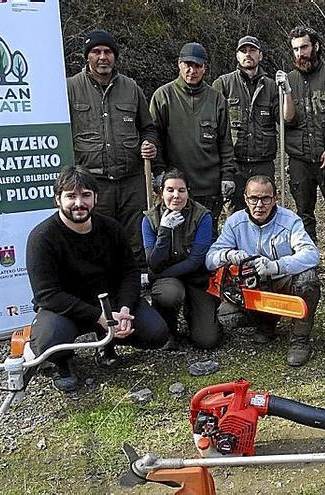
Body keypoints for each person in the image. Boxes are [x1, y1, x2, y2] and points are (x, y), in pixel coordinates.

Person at [26, 167, 168, 392]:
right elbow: (47, 295)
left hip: (109, 302)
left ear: (95, 198)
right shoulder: (42, 237)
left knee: (157, 333)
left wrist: (123, 310)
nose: (78, 203)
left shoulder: (111, 228)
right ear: (58, 200)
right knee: (49, 343)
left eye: (85, 195)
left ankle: (107, 342)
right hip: (66, 308)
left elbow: (130, 272)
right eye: (71, 196)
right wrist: (98, 316)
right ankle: (63, 362)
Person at [205, 175, 321, 366]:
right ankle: (265, 324)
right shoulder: (235, 222)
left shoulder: (290, 221)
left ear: (275, 198)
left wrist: (277, 266)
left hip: (282, 280)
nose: (259, 204)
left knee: (307, 279)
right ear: (245, 198)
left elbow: (311, 254)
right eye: (254, 198)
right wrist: (227, 255)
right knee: (227, 316)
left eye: (265, 198)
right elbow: (210, 259)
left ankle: (300, 340)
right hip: (251, 286)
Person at [67, 29, 159, 265]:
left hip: (132, 181)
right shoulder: (70, 89)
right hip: (93, 182)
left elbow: (148, 127)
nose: (102, 57)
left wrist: (149, 144)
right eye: (96, 52)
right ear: (87, 56)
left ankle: (138, 285)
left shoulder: (131, 88)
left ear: (115, 56)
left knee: (136, 237)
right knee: (96, 236)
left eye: (108, 52)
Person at [150, 42, 237, 231]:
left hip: (209, 187)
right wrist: (158, 172)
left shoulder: (216, 99)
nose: (192, 70)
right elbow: (154, 137)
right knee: (175, 236)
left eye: (197, 65)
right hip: (175, 188)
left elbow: (225, 142)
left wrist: (228, 175)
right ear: (179, 64)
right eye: (187, 64)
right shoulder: (162, 96)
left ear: (205, 68)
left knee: (207, 236)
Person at [283, 26, 325, 242]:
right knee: (303, 214)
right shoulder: (287, 81)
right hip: (300, 159)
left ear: (316, 46)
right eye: (295, 49)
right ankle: (307, 261)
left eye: (304, 47)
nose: (300, 53)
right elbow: (287, 120)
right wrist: (285, 90)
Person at [212, 36, 294, 212]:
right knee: (235, 214)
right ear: (237, 56)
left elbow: (286, 118)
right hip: (234, 164)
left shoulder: (272, 87)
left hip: (263, 164)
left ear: (260, 55)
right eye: (243, 51)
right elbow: (214, 124)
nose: (248, 54)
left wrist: (286, 91)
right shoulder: (223, 84)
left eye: (252, 51)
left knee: (264, 211)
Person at [142, 169, 218, 349]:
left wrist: (154, 277)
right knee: (169, 294)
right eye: (170, 190)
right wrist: (164, 231)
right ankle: (168, 328)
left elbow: (195, 261)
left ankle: (196, 315)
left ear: (188, 191)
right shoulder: (149, 219)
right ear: (161, 192)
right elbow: (153, 262)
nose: (176, 196)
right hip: (168, 281)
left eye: (181, 190)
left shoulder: (202, 216)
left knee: (207, 340)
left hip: (196, 278)